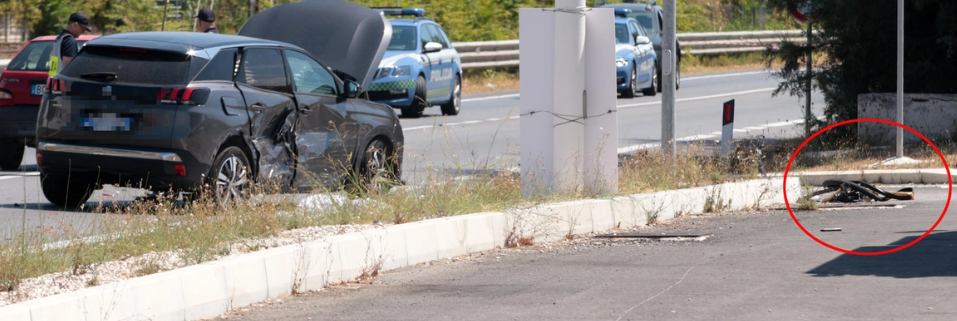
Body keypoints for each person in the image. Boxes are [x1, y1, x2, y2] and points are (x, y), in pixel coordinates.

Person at [49, 12, 92, 77]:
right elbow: (69, 68)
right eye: (83, 28)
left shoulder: (59, 38)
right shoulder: (69, 41)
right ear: (75, 24)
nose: (83, 32)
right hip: (63, 82)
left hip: (54, 80)